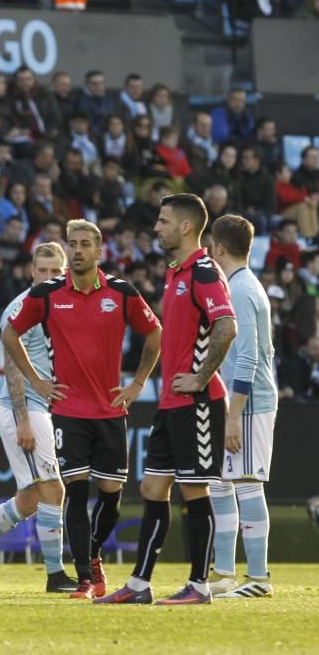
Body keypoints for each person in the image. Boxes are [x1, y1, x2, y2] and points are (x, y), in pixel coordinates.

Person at [4, 219, 162, 600]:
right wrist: (37, 382)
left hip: (110, 410)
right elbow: (10, 333)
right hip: (69, 410)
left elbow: (155, 333)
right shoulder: (47, 293)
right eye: (72, 244)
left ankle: (92, 554)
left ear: (99, 251)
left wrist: (138, 382)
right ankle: (84, 579)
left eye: (84, 244)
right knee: (74, 491)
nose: (77, 250)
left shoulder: (122, 293)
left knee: (111, 495)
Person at [97, 193, 237, 605]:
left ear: (186, 227)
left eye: (162, 221)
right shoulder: (176, 273)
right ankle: (139, 585)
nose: (156, 228)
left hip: (197, 403)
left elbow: (226, 327)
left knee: (195, 491)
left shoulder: (204, 271)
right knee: (153, 488)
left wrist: (200, 377)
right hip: (171, 403)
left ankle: (200, 586)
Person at [0, 241, 77, 592]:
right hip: (21, 406)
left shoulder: (61, 305)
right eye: (44, 270)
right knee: (54, 489)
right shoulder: (21, 308)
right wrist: (23, 418)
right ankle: (55, 575)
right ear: (31, 271)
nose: (50, 277)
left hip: (37, 406)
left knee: (28, 501)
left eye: (57, 271)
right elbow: (11, 367)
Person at [206, 215, 278, 599]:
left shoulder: (241, 291)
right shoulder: (240, 286)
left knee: (247, 484)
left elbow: (248, 359)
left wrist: (234, 415)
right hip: (234, 401)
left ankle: (259, 578)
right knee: (219, 482)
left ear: (218, 249)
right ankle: (224, 573)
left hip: (249, 404)